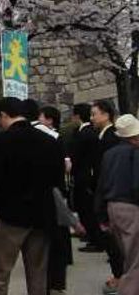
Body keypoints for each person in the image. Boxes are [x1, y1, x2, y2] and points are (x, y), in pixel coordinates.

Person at [0, 97, 65, 295]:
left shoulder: (0, 141)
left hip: (8, 216)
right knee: (38, 273)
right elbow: (57, 180)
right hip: (41, 215)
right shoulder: (49, 141)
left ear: (3, 115)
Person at [95, 114, 139, 295]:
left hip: (112, 207)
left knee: (128, 255)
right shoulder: (135, 153)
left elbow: (101, 185)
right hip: (131, 207)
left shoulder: (109, 154)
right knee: (136, 259)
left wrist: (101, 215)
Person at [38, 105, 74, 295]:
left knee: (57, 231)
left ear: (50, 119)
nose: (39, 120)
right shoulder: (55, 138)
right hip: (57, 189)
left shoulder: (54, 138)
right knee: (60, 230)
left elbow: (65, 164)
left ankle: (55, 281)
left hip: (54, 190)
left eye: (41, 117)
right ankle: (58, 277)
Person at [90, 99, 124, 294]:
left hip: (110, 195)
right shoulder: (104, 136)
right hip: (105, 193)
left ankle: (120, 276)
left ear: (106, 114)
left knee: (114, 240)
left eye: (95, 114)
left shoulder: (111, 138)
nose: (92, 118)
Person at [69, 103, 100, 249]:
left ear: (77, 116)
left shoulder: (84, 134)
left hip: (84, 176)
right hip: (87, 175)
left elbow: (77, 156)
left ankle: (95, 239)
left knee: (86, 209)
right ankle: (93, 237)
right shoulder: (90, 132)